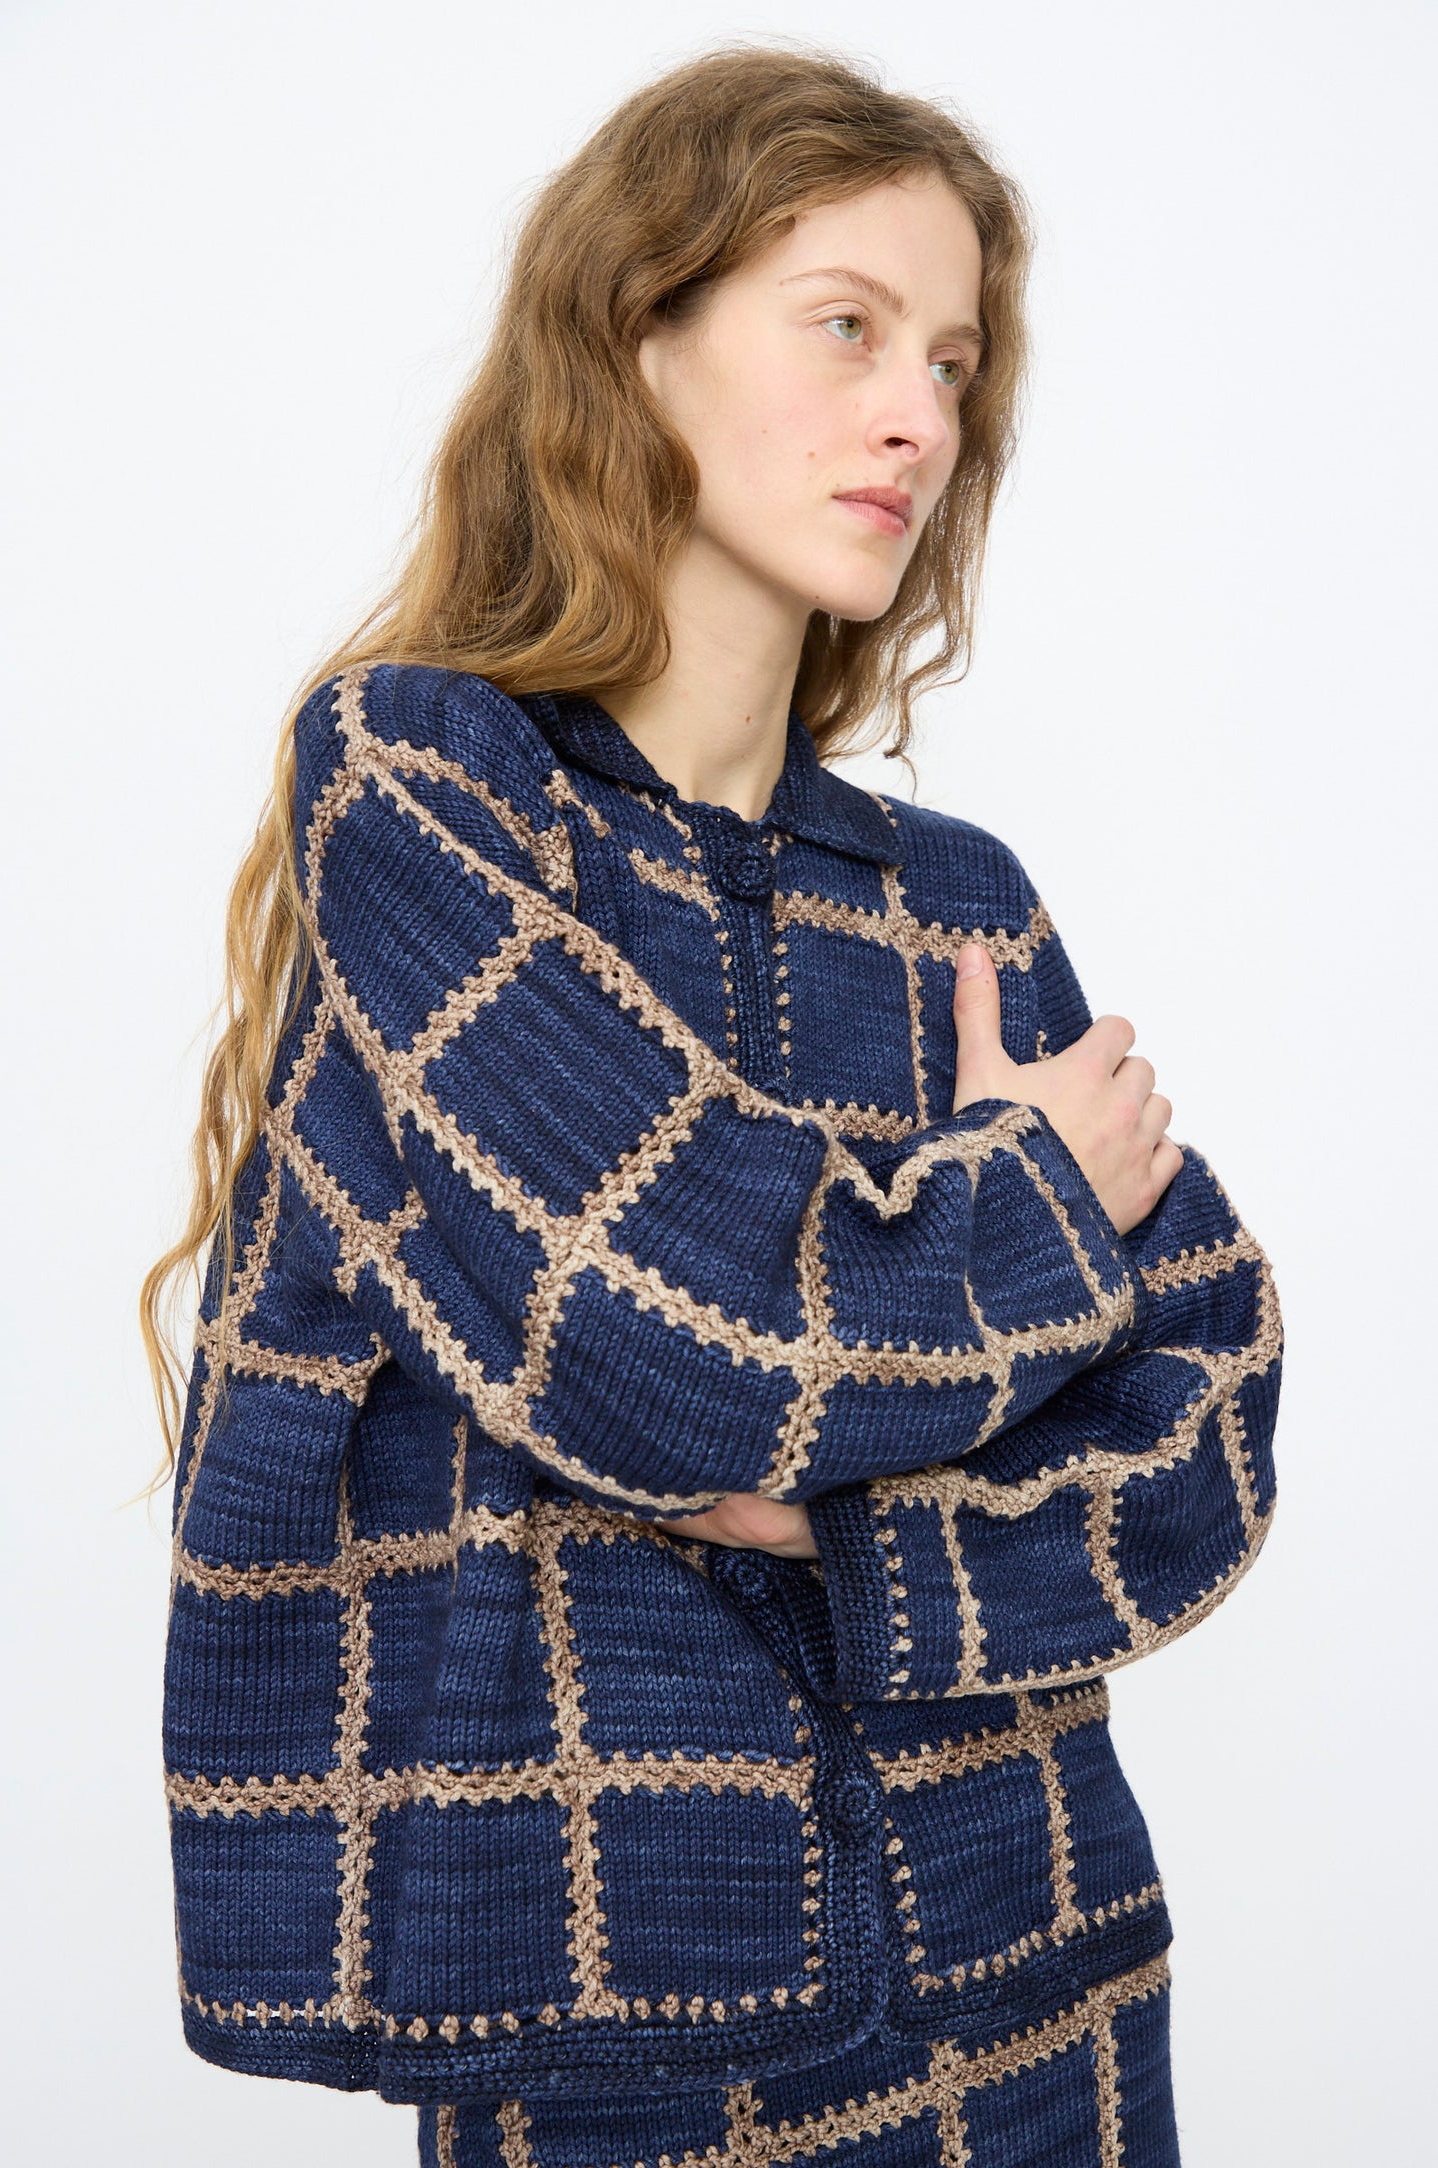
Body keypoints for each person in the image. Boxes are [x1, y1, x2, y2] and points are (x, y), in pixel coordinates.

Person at [144, 42, 1282, 2168]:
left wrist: (852, 1540)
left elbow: (1210, 1403)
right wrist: (1030, 1203)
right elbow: (675, 1323)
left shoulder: (953, 903)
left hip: (1052, 1975)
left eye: (951, 360)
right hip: (633, 2032)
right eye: (843, 324)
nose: (922, 416)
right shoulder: (425, 790)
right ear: (639, 345)